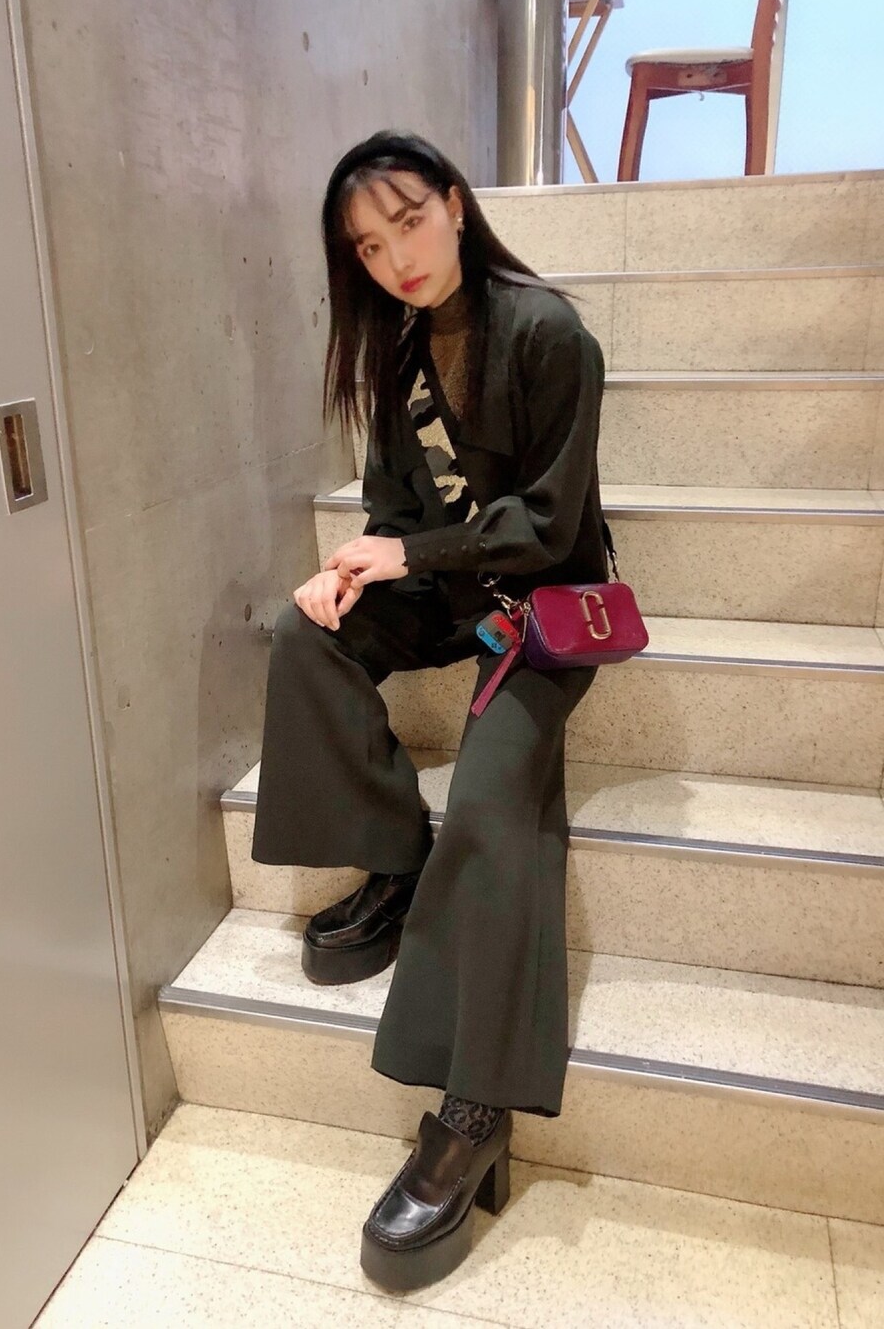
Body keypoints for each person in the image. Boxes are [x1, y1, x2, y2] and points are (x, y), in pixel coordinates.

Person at [251, 130, 610, 1291]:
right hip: (448, 592)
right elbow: (392, 506)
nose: (395, 256)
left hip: (543, 607)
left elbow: (549, 527)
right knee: (303, 636)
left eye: (407, 221)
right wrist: (348, 573)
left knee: (496, 804)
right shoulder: (398, 349)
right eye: (367, 244)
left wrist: (408, 552)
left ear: (455, 205)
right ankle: (393, 859)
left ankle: (471, 1108)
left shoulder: (549, 333)